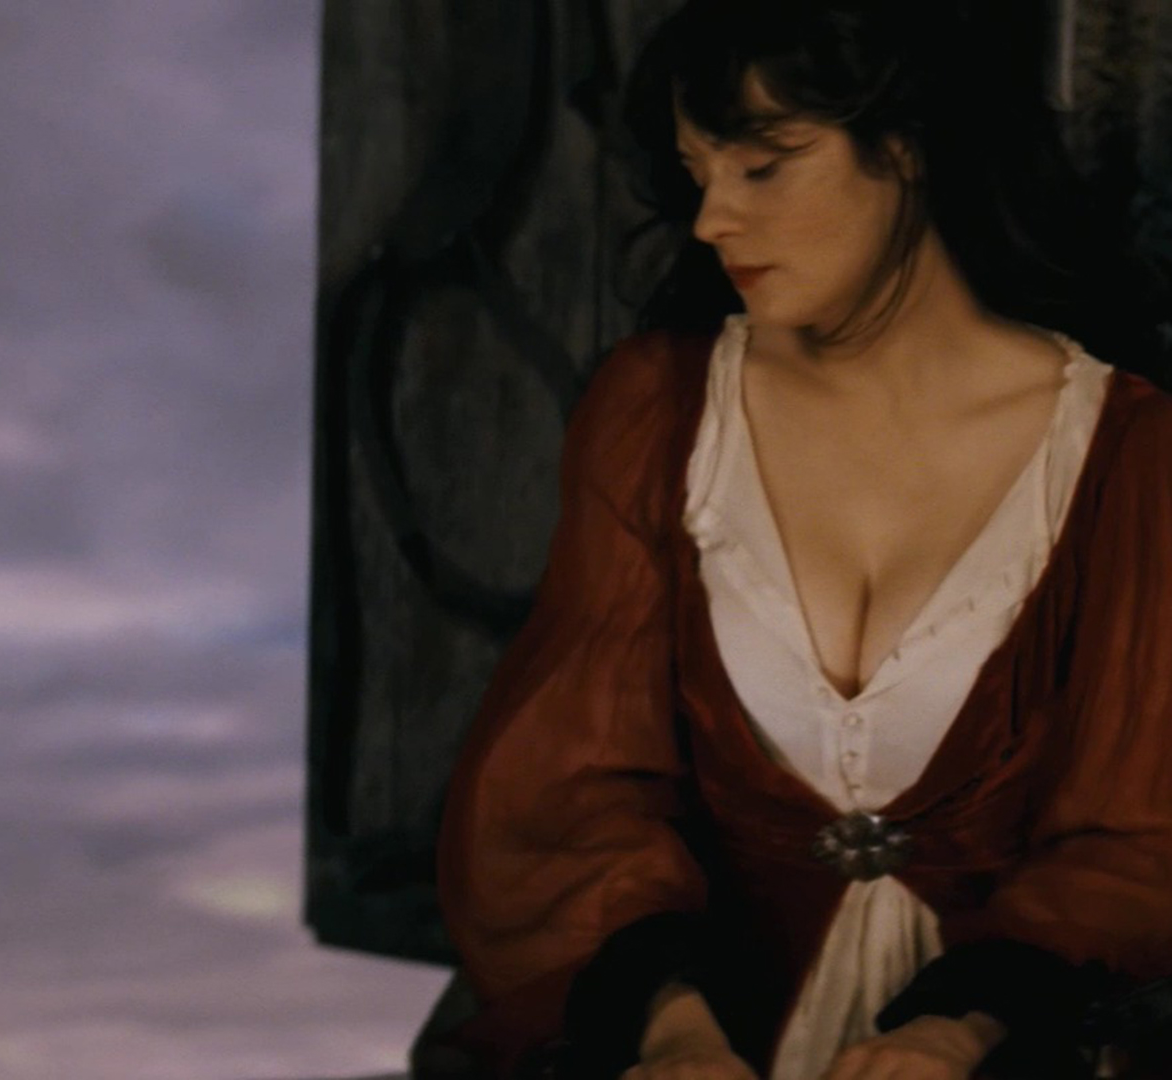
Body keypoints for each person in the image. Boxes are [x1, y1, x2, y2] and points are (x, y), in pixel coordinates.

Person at [432, 1, 1172, 1078]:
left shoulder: (1127, 452)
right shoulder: (659, 412)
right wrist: (673, 1031)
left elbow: (1145, 836)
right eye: (698, 175)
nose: (711, 221)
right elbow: (566, 787)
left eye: (762, 167)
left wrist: (953, 1032)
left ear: (906, 149)